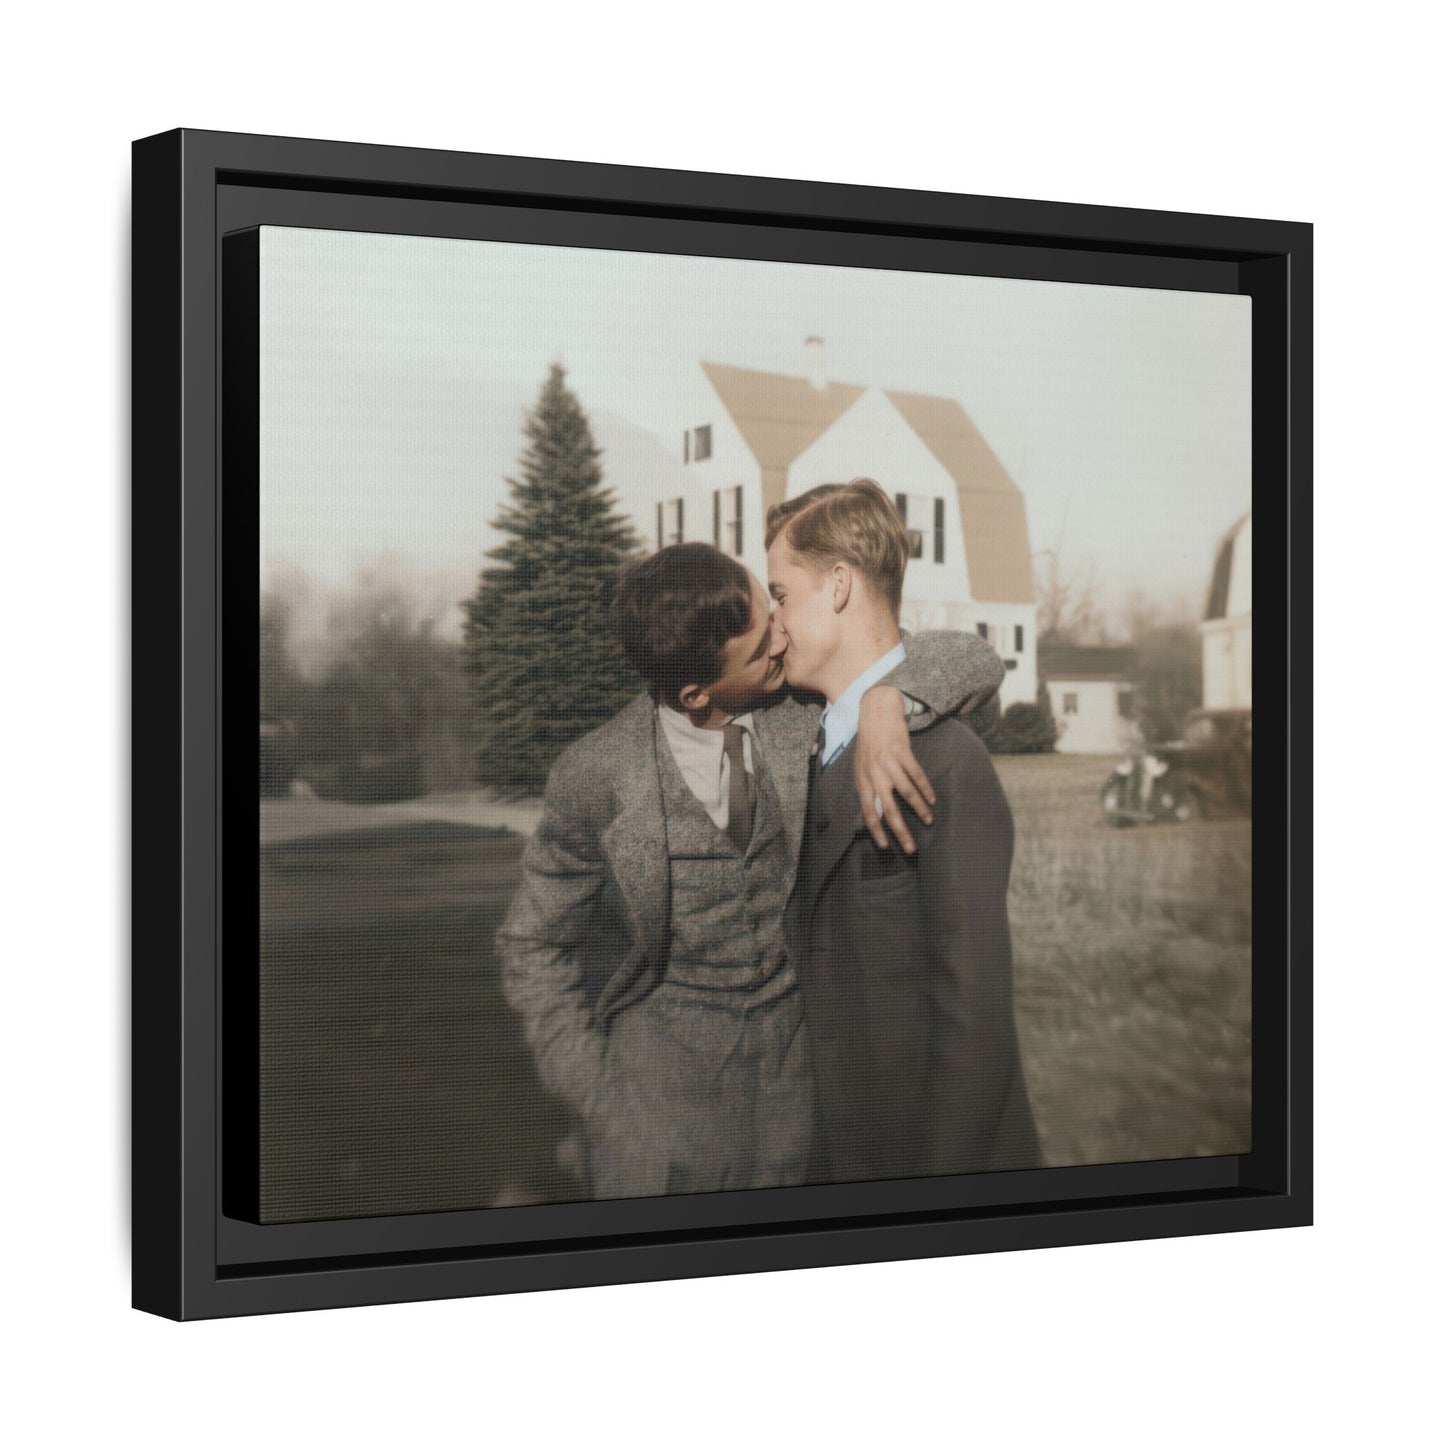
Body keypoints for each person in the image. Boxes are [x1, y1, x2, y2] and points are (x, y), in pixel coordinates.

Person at [497, 542, 1004, 1200]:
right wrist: (602, 1102)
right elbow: (530, 943)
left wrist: (884, 700)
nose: (782, 635)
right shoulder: (596, 775)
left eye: (773, 611)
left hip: (803, 1118)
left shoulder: (796, 710)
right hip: (657, 1135)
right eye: (760, 638)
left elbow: (972, 659)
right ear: (694, 691)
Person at [768, 480, 1041, 1185]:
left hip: (922, 1162)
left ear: (836, 587)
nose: (773, 624)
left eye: (780, 596)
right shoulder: (792, 730)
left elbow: (973, 1016)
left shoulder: (947, 762)